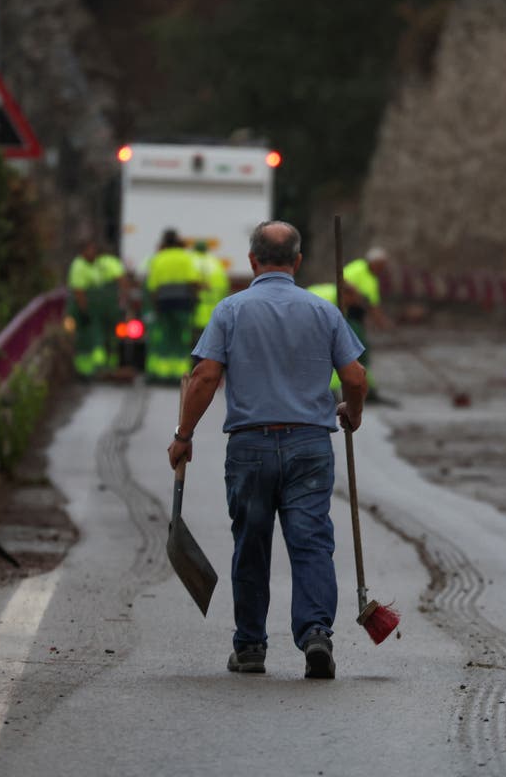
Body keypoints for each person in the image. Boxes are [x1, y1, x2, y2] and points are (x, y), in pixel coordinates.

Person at [168, 221, 368, 680]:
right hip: (309, 446)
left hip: (251, 446)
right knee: (312, 542)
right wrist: (352, 413)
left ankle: (251, 647)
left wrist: (184, 435)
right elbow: (355, 377)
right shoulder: (324, 312)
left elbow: (204, 378)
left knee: (252, 545)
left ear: (253, 261)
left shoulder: (230, 310)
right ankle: (316, 633)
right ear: (297, 262)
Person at [145, 228, 202, 383]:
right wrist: (195, 301)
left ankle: (162, 373)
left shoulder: (158, 258)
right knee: (181, 338)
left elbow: (152, 286)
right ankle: (179, 373)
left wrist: (155, 304)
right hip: (183, 303)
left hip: (163, 303)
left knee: (165, 337)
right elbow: (194, 282)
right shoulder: (186, 257)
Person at [342, 247, 393, 404]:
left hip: (358, 319)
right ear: (374, 262)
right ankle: (359, 388)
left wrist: (382, 322)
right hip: (347, 315)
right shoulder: (357, 268)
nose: (383, 269)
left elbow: (373, 305)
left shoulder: (373, 280)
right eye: (381, 265)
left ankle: (366, 387)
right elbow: (342, 282)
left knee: (363, 353)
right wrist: (356, 294)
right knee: (357, 352)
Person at [66, 240, 107, 379]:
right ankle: (83, 371)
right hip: (82, 310)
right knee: (84, 342)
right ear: (83, 251)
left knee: (92, 340)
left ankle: (92, 370)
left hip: (91, 310)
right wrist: (84, 311)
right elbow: (79, 291)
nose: (94, 253)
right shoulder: (79, 266)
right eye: (91, 250)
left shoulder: (92, 265)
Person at [192, 239, 230, 335]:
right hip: (215, 306)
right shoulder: (215, 262)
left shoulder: (191, 260)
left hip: (197, 306)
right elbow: (225, 284)